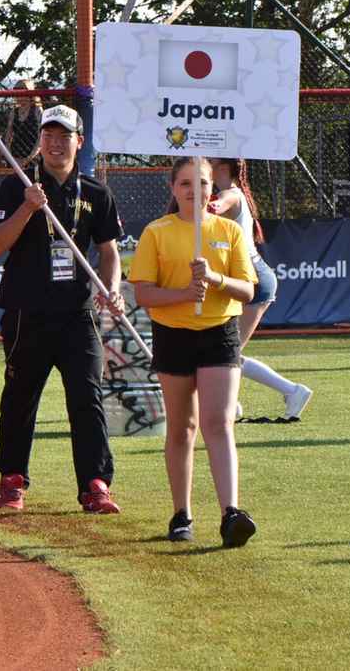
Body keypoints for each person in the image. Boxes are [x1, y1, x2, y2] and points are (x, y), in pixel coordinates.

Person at [0, 105, 125, 513]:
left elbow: (109, 251)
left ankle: (95, 484)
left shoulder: (96, 193)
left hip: (76, 314)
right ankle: (12, 479)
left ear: (79, 142)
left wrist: (112, 288)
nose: (54, 142)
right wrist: (28, 208)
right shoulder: (17, 186)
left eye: (64, 135)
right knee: (20, 397)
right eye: (48, 134)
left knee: (87, 397)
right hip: (25, 311)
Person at [129, 157, 258, 547]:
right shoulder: (157, 232)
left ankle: (230, 513)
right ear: (173, 189)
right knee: (182, 427)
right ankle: (181, 513)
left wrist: (216, 278)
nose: (193, 190)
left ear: (211, 189)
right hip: (173, 335)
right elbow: (144, 293)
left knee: (217, 424)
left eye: (201, 183)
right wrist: (185, 293)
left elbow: (248, 290)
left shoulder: (229, 231)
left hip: (219, 333)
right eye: (185, 183)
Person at [210, 158, 312, 419]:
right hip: (249, 279)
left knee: (225, 353)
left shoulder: (230, 194)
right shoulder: (230, 192)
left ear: (223, 163)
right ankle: (234, 405)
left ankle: (292, 390)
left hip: (254, 281)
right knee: (223, 352)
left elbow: (215, 207)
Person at [3, 79, 43, 166]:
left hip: (33, 156)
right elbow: (8, 137)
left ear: (29, 93)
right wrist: (10, 156)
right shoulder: (14, 112)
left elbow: (41, 138)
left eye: (21, 93)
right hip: (15, 155)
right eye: (16, 93)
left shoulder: (37, 110)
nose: (18, 96)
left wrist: (29, 158)